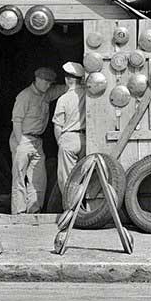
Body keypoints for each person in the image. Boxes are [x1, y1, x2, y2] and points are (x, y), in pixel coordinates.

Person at [10, 67, 64, 214]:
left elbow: (64, 89)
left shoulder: (46, 94)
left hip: (37, 142)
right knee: (19, 177)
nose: (49, 86)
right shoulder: (24, 96)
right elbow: (17, 121)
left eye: (50, 84)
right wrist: (20, 143)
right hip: (23, 138)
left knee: (39, 179)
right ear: (38, 80)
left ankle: (34, 211)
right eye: (46, 83)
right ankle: (19, 213)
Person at [52, 61, 86, 206]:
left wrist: (60, 142)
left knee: (66, 178)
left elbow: (58, 125)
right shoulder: (87, 95)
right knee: (84, 175)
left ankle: (70, 209)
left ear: (67, 79)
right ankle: (84, 208)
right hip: (85, 138)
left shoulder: (63, 99)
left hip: (69, 138)